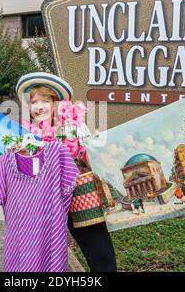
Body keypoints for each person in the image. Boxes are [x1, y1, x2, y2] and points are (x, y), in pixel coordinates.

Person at [15, 72, 117, 272]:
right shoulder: (26, 136)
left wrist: (95, 146)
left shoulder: (74, 126)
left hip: (80, 197)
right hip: (47, 202)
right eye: (34, 102)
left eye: (45, 100)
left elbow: (92, 161)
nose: (39, 107)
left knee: (100, 254)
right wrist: (22, 155)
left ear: (55, 103)